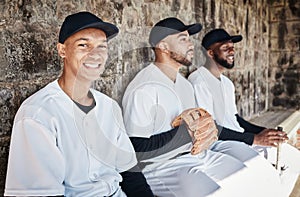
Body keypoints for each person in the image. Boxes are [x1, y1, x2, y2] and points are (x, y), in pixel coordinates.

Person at [122, 17, 284, 197]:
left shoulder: (185, 85)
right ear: (164, 47)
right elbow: (135, 149)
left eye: (189, 39)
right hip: (163, 166)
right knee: (216, 193)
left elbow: (201, 127)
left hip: (197, 155)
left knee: (252, 178)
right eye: (183, 39)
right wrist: (183, 135)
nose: (191, 45)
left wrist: (203, 133)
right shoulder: (143, 88)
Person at [4, 11, 153, 197]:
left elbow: (130, 173)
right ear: (62, 50)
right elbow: (42, 193)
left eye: (102, 46)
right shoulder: (38, 114)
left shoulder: (109, 106)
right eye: (84, 45)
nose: (95, 55)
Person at [188, 28, 300, 195]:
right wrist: (254, 138)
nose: (232, 51)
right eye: (226, 48)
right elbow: (209, 128)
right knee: (266, 174)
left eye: (233, 47)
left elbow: (234, 119)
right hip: (217, 144)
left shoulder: (227, 83)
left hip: (239, 137)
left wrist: (263, 132)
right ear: (210, 53)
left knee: (294, 159)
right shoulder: (198, 81)